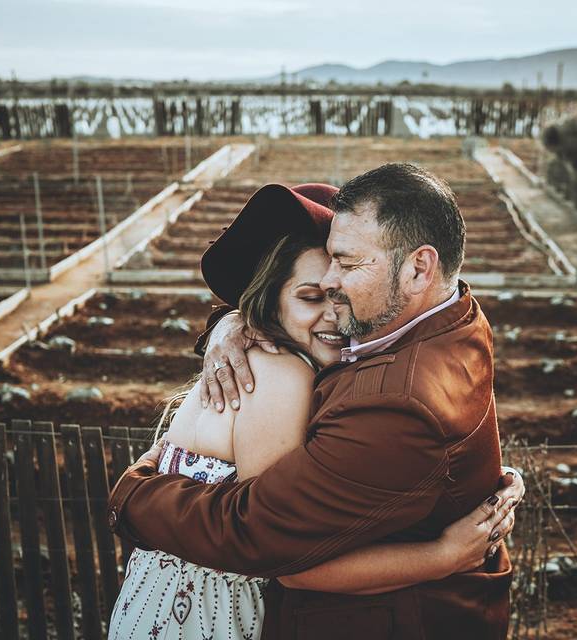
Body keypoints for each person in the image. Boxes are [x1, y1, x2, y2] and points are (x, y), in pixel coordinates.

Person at [109, 166, 521, 639]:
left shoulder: (394, 402)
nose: (331, 284)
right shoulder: (447, 313)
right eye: (316, 286)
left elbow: (259, 536)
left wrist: (132, 494)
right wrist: (231, 321)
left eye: (346, 264)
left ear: (418, 269)